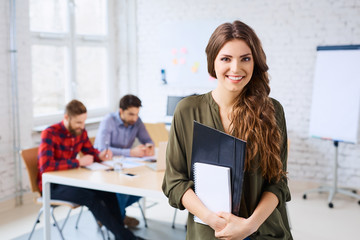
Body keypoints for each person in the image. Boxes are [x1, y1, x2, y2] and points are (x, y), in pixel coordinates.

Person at [162, 20, 293, 240]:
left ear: (255, 62)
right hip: (210, 232)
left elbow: (278, 182)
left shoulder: (272, 111)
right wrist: (213, 219)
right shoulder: (187, 111)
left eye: (245, 59)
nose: (236, 68)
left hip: (262, 231)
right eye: (225, 59)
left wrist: (248, 226)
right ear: (212, 62)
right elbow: (175, 181)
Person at [38, 99, 145, 240]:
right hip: (51, 186)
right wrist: (77, 162)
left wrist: (100, 155)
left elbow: (91, 152)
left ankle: (121, 235)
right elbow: (46, 166)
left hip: (71, 181)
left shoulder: (80, 132)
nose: (82, 126)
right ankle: (127, 238)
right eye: (78, 122)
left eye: (83, 122)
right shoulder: (50, 133)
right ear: (66, 118)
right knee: (91, 198)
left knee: (109, 192)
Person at [94, 94, 154, 227]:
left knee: (142, 188)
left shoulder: (136, 121)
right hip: (104, 167)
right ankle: (117, 220)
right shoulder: (108, 120)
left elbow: (148, 141)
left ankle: (109, 215)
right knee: (122, 191)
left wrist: (149, 147)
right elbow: (103, 150)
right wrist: (131, 152)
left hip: (125, 166)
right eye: (131, 114)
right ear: (121, 111)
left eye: (137, 114)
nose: (135, 118)